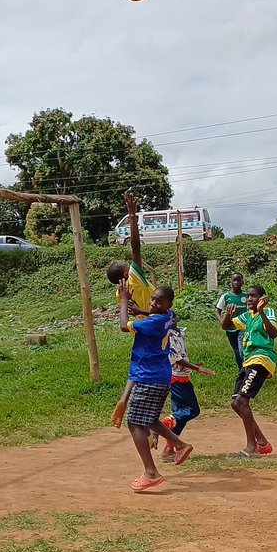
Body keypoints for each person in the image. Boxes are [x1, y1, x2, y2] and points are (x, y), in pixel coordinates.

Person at [119, 283, 193, 490]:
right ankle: (180, 445)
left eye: (159, 301)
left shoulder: (153, 323)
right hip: (161, 376)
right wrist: (143, 310)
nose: (153, 302)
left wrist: (125, 300)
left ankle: (151, 473)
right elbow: (159, 314)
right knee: (149, 419)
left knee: (135, 423)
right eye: (153, 298)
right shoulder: (169, 315)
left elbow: (124, 326)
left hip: (147, 378)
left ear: (169, 303)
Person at [108, 192, 158, 428]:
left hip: (141, 331)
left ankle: (124, 399)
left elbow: (125, 318)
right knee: (162, 378)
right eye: (129, 265)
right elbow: (136, 248)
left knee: (136, 369)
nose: (133, 263)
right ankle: (154, 425)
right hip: (157, 328)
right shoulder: (135, 280)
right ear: (127, 274)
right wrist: (132, 218)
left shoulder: (121, 293)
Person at [221, 284, 277, 457]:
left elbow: (273, 333)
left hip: (261, 359)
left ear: (262, 298)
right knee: (235, 403)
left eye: (253, 296)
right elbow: (226, 326)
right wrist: (228, 315)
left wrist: (261, 311)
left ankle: (252, 447)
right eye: (249, 296)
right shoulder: (246, 317)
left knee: (242, 401)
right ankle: (262, 442)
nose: (249, 299)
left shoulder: (268, 313)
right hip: (248, 362)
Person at [156, 312, 215, 460]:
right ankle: (160, 425)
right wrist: (197, 368)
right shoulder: (168, 336)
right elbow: (177, 359)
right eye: (170, 319)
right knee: (192, 410)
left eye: (174, 317)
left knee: (180, 415)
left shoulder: (179, 332)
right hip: (176, 377)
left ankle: (169, 449)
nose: (173, 320)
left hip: (181, 376)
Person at [214, 273, 248, 367]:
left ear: (242, 282)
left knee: (242, 351)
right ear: (231, 282)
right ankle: (241, 371)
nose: (236, 282)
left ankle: (247, 372)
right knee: (237, 352)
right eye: (234, 280)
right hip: (230, 328)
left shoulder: (246, 295)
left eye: (239, 280)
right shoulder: (226, 296)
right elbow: (217, 311)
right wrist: (222, 322)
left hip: (242, 328)